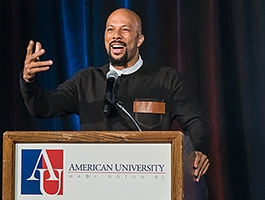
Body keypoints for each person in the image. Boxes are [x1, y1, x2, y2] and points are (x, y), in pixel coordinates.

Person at [20, 8, 210, 182]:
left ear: (139, 39)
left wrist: (197, 150)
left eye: (124, 30)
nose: (116, 36)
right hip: (93, 180)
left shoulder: (166, 79)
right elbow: (42, 107)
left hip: (150, 180)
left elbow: (195, 121)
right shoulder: (86, 81)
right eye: (110, 30)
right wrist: (28, 80)